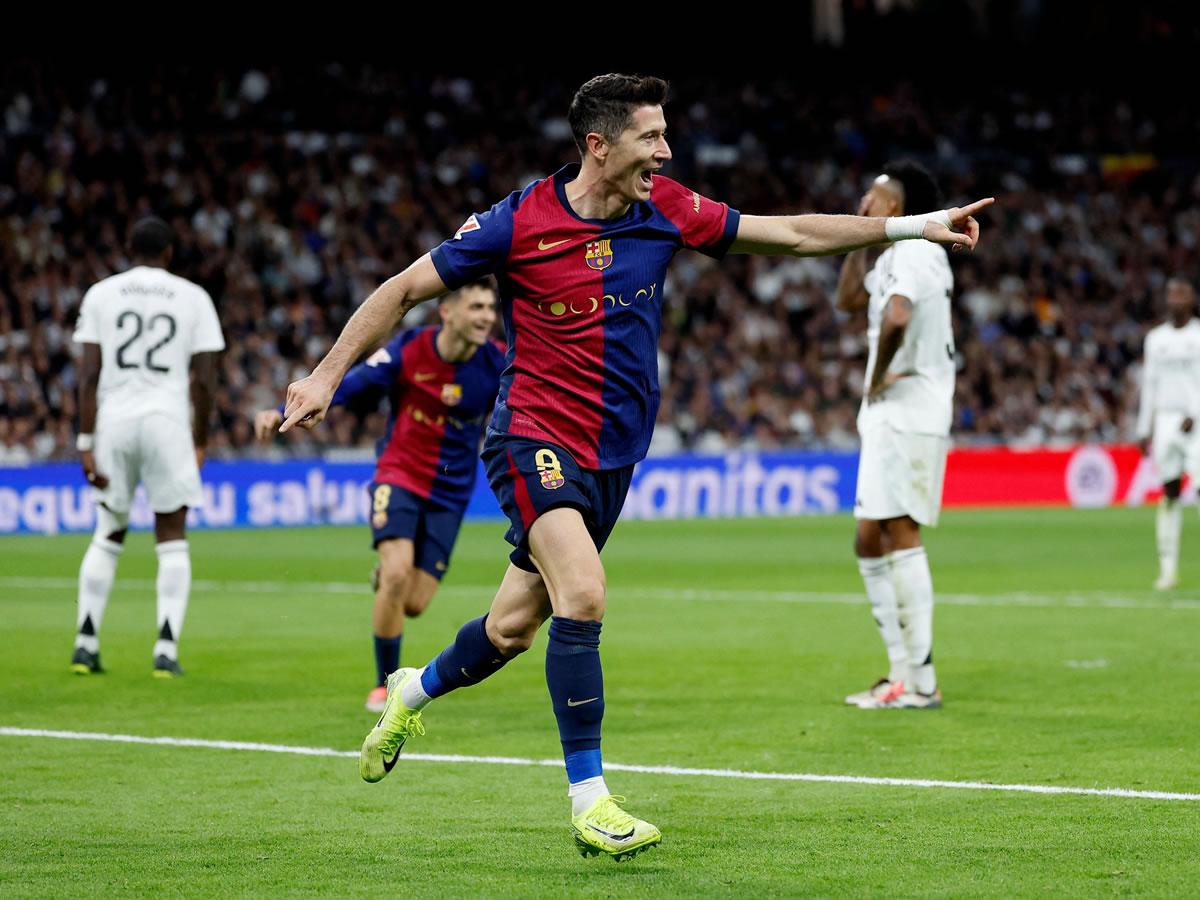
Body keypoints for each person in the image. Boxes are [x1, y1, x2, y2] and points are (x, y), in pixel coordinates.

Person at [279, 73, 991, 860]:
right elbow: (404, 288)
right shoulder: (517, 222)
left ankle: (413, 691)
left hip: (614, 456)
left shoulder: (668, 210)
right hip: (532, 436)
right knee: (583, 593)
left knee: (512, 629)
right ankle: (591, 800)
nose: (666, 149)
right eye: (651, 136)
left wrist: (917, 226)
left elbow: (789, 234)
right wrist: (326, 374)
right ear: (599, 145)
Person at [255, 281, 503, 711]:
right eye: (476, 307)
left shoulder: (496, 361)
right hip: (400, 475)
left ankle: (387, 577)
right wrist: (283, 414)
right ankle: (384, 684)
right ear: (447, 312)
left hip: (452, 489)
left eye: (489, 307)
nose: (486, 316)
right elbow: (351, 385)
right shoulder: (409, 349)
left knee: (414, 602)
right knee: (396, 573)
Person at [70, 216, 224, 678]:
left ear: (128, 247)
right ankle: (165, 649)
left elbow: (88, 373)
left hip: (113, 420)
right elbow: (206, 379)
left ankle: (85, 641)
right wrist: (200, 440)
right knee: (172, 534)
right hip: (167, 421)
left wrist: (84, 441)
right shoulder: (193, 297)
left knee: (108, 529)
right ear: (169, 252)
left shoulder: (101, 293)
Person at [836, 162, 955, 711]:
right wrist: (861, 234)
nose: (865, 199)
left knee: (900, 529)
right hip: (885, 412)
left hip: (909, 407)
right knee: (867, 536)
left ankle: (922, 680)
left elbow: (899, 316)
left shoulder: (916, 251)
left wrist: (879, 372)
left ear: (899, 209)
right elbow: (847, 300)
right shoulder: (887, 255)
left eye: (875, 195)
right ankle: (900, 672)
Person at [1136, 277, 1200, 590]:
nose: (1175, 299)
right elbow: (1149, 385)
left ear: (1192, 299)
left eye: (1181, 294)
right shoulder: (1155, 339)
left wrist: (1196, 412)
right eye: (1171, 294)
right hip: (1164, 421)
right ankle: (1168, 569)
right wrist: (1142, 427)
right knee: (1169, 492)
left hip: (1196, 422)